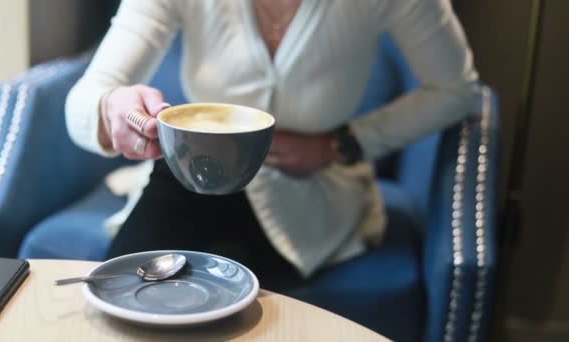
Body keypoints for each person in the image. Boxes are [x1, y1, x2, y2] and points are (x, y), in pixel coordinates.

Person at [66, 0, 479, 290]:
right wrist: (110, 108)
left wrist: (342, 144)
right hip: (189, 177)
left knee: (230, 301)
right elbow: (83, 101)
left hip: (308, 191)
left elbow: (457, 91)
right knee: (125, 290)